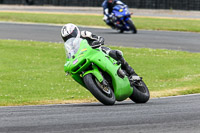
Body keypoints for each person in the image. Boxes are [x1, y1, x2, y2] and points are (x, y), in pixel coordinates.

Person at [61, 23, 140, 81]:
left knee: (114, 53)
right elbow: (70, 55)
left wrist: (98, 41)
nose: (69, 38)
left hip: (97, 51)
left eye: (70, 35)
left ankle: (132, 73)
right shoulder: (69, 46)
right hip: (84, 58)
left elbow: (98, 38)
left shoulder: (84, 34)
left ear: (76, 31)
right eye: (66, 37)